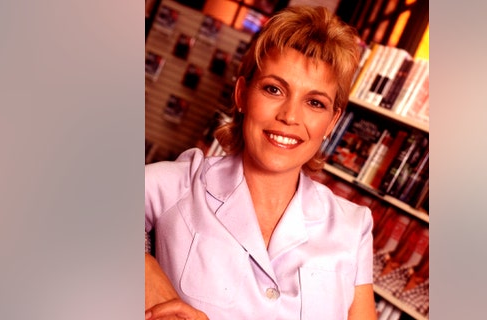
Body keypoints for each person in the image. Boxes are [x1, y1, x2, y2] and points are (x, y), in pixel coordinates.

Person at [145, 6, 377, 320]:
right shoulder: (178, 185)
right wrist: (155, 286)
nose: (290, 116)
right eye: (273, 89)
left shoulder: (353, 227)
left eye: (314, 102)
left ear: (333, 121)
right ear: (242, 94)